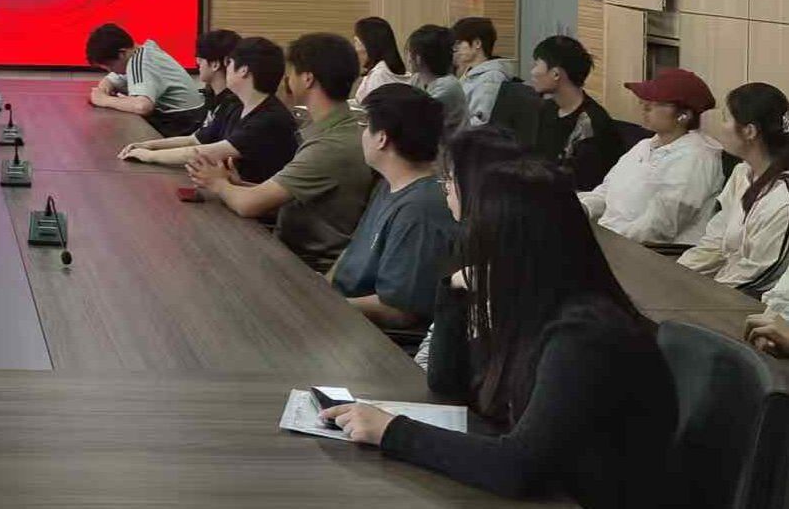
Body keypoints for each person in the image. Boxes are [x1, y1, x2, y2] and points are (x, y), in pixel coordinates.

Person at [324, 160, 679, 509]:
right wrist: (454, 291)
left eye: (479, 237)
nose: (470, 247)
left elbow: (518, 467)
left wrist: (391, 431)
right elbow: (448, 384)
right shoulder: (536, 304)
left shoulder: (586, 334)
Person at [187, 33, 375, 270]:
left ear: (307, 79)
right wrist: (236, 184)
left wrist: (218, 184)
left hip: (306, 265)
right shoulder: (330, 129)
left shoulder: (330, 145)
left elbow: (249, 205)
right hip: (289, 246)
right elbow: (292, 195)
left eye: (292, 71)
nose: (287, 78)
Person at [330, 83, 456, 331]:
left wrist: (328, 304)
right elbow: (352, 253)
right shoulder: (389, 185)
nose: (362, 134)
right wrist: (321, 288)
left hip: (371, 334)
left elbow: (399, 311)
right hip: (342, 310)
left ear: (382, 138)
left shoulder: (420, 210)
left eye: (365, 126)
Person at [414, 125, 526, 369]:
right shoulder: (470, 244)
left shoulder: (511, 270)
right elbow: (429, 355)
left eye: (451, 178)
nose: (445, 187)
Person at [118, 34, 299, 184]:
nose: (226, 69)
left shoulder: (269, 118)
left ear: (243, 70)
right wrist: (148, 146)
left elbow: (204, 152)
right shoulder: (233, 105)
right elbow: (196, 140)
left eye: (229, 63)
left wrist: (148, 156)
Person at [578, 69, 723, 247]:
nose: (645, 107)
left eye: (655, 103)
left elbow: (659, 227)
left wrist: (607, 241)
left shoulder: (698, 157)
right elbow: (606, 191)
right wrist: (583, 208)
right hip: (611, 241)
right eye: (645, 102)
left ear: (684, 115)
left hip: (651, 253)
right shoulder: (644, 146)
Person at [678, 82, 789, 294]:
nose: (720, 127)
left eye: (726, 119)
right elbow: (715, 241)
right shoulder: (742, 172)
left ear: (749, 131)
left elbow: (759, 275)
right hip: (722, 288)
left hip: (749, 301)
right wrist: (676, 275)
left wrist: (702, 294)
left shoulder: (783, 197)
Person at [527, 35, 622, 191]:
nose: (532, 72)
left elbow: (585, 185)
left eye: (536, 64)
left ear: (556, 74)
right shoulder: (547, 109)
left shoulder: (591, 124)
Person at [85, 22, 204, 137]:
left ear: (122, 53)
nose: (111, 71)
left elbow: (142, 107)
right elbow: (109, 81)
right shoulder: (139, 53)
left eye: (110, 66)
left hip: (183, 123)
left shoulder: (142, 63)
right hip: (186, 117)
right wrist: (102, 91)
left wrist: (104, 100)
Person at [451, 16, 515, 129]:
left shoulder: (492, 76)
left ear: (477, 43)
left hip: (470, 136)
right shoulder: (470, 73)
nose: (456, 49)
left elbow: (481, 120)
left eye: (459, 43)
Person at [407, 24, 468, 135]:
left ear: (419, 57)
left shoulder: (448, 86)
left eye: (411, 52)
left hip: (451, 144)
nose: (409, 58)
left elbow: (415, 117)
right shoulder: (417, 78)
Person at [351, 16, 407, 103]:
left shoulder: (378, 75)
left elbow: (372, 108)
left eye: (356, 42)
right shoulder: (388, 71)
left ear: (368, 45)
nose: (355, 48)